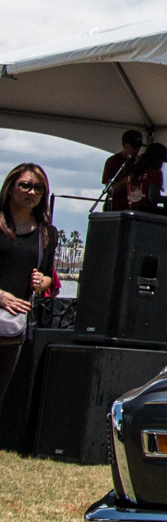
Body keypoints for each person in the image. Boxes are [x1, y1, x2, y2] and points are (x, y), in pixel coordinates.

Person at [0, 163, 59, 397]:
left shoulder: (47, 233)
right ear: (10, 188)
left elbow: (48, 277)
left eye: (38, 188)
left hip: (10, 327)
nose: (31, 192)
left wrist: (41, 281)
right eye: (25, 185)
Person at [101, 130, 142, 210]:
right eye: (134, 146)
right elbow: (110, 189)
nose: (136, 150)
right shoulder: (112, 161)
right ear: (124, 145)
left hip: (134, 206)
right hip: (116, 206)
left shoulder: (140, 162)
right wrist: (129, 178)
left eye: (139, 146)